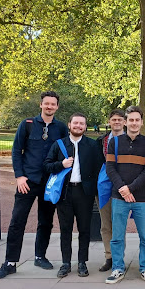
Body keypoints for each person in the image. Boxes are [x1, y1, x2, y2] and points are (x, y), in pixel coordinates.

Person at [0, 91, 68, 279]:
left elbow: (65, 152)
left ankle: (39, 256)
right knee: (17, 221)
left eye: (53, 104)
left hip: (49, 182)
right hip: (27, 181)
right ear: (41, 105)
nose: (49, 106)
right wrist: (19, 176)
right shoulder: (27, 125)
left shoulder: (61, 127)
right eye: (46, 103)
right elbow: (17, 151)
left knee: (46, 221)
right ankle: (10, 262)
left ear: (57, 107)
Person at [43, 113, 104, 278]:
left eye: (82, 124)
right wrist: (60, 164)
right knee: (65, 229)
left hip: (84, 193)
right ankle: (65, 263)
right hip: (65, 193)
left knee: (84, 229)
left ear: (85, 127)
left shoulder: (92, 145)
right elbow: (47, 165)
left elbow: (99, 168)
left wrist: (93, 189)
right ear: (69, 125)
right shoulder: (59, 145)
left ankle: (82, 262)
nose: (78, 126)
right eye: (75, 123)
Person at [105, 106, 145, 284]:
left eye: (137, 120)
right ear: (125, 122)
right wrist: (122, 189)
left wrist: (131, 189)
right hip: (119, 197)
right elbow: (110, 168)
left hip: (141, 198)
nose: (134, 123)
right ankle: (118, 268)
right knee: (117, 236)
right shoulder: (115, 142)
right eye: (131, 120)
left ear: (142, 122)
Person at [96, 109, 126, 272]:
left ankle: (119, 257)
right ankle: (109, 257)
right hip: (106, 188)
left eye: (120, 119)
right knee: (106, 225)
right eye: (113, 119)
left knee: (119, 225)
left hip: (124, 188)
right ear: (109, 121)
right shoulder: (102, 141)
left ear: (125, 122)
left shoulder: (130, 140)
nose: (116, 122)